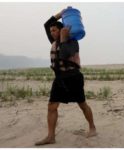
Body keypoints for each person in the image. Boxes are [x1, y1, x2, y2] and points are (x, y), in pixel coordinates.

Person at [35, 9, 97, 146]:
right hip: (60, 78)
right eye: (51, 31)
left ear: (62, 30)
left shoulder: (72, 41)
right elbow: (47, 24)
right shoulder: (54, 39)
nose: (52, 33)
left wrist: (63, 38)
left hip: (73, 77)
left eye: (54, 31)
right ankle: (51, 136)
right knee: (52, 106)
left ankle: (92, 128)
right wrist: (61, 14)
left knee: (82, 104)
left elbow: (63, 55)